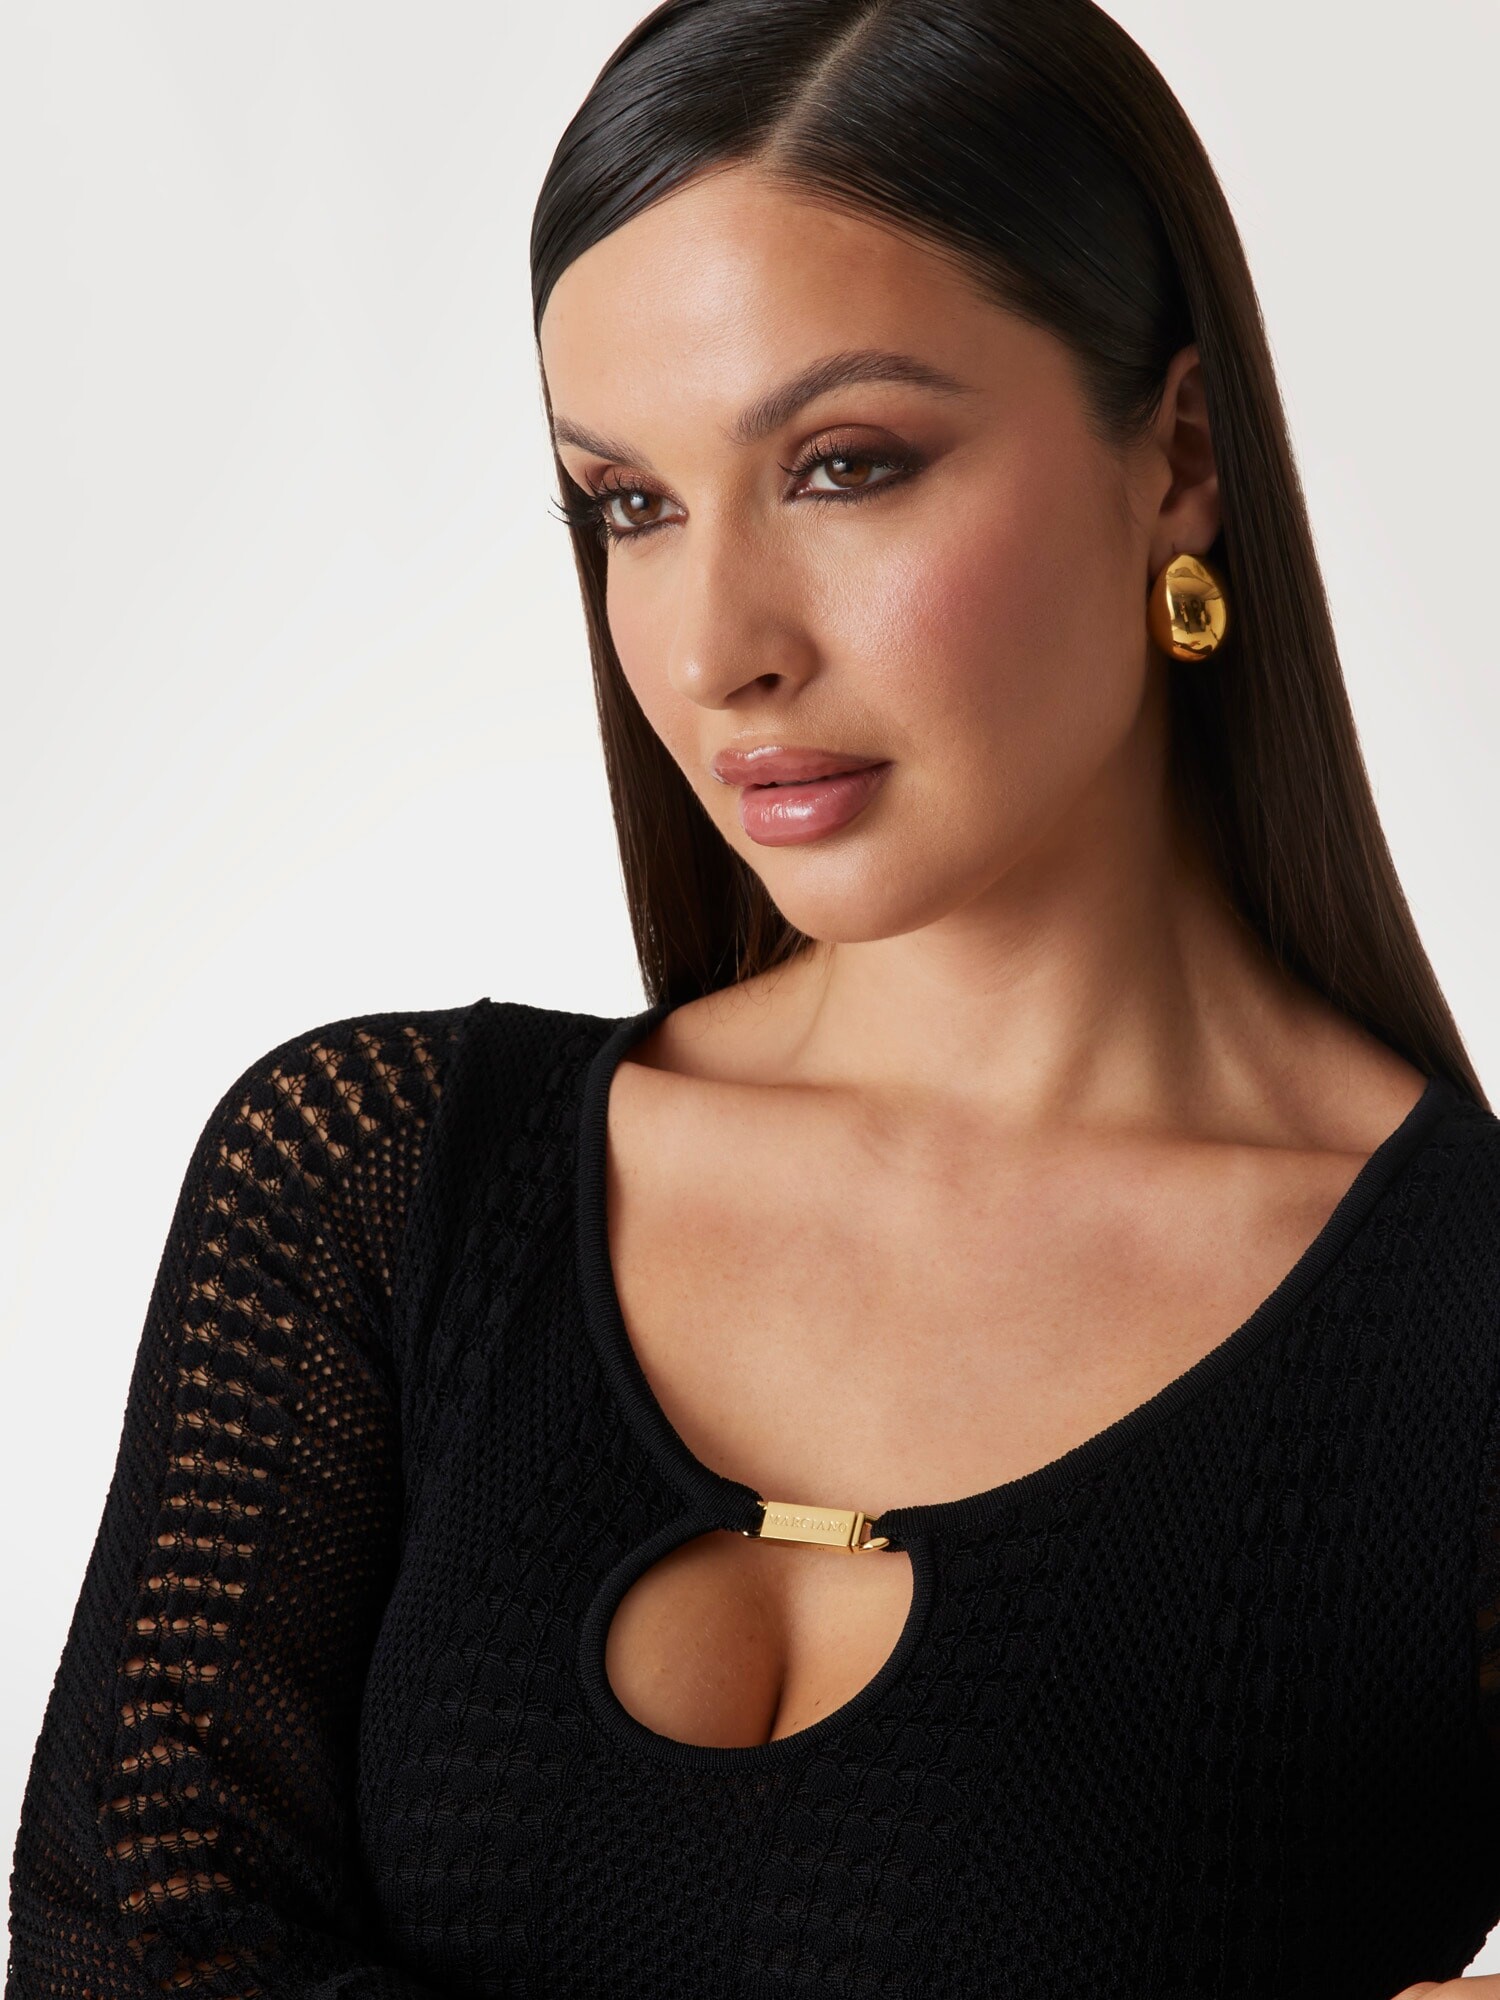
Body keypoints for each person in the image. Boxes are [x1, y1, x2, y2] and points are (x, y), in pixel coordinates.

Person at [7, 1, 1500, 1994]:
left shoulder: (1467, 1335)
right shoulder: (371, 1184)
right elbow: (122, 1958)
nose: (718, 645)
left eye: (846, 466)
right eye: (630, 503)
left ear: (1181, 458)